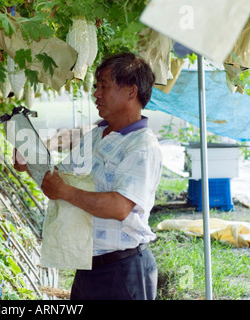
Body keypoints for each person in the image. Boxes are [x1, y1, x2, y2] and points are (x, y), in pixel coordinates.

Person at [14, 52, 163, 300]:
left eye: (104, 86)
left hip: (123, 271)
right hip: (89, 266)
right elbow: (61, 181)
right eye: (97, 86)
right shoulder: (96, 136)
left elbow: (119, 206)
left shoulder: (141, 146)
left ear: (131, 91)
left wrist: (66, 191)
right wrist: (29, 164)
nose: (96, 93)